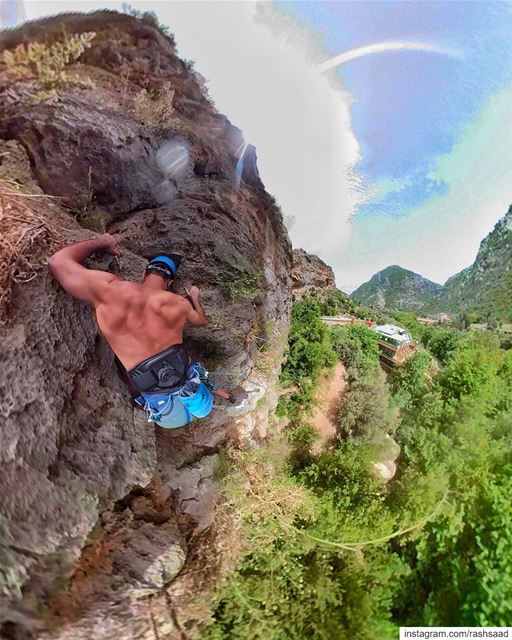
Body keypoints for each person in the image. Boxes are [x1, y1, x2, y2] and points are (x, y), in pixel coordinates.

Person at [48, 233, 233, 428]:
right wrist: (195, 297)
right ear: (169, 283)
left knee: (188, 385)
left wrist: (102, 243)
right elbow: (201, 321)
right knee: (196, 382)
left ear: (145, 274)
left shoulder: (111, 290)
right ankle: (208, 396)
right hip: (185, 400)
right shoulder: (179, 304)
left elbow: (57, 263)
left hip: (166, 413)